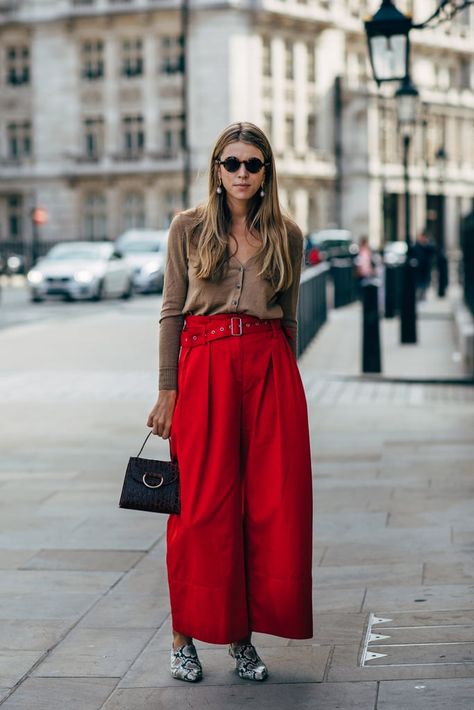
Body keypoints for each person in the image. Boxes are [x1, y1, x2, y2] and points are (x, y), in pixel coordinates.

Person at [147, 121, 313, 683]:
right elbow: (172, 312)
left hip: (270, 370)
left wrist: (289, 386)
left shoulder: (288, 234)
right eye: (231, 163)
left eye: (253, 164)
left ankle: (243, 639)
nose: (242, 173)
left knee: (270, 509)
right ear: (216, 170)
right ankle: (183, 637)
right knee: (199, 508)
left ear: (267, 173)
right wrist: (167, 390)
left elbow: (289, 317)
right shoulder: (188, 228)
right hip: (205, 369)